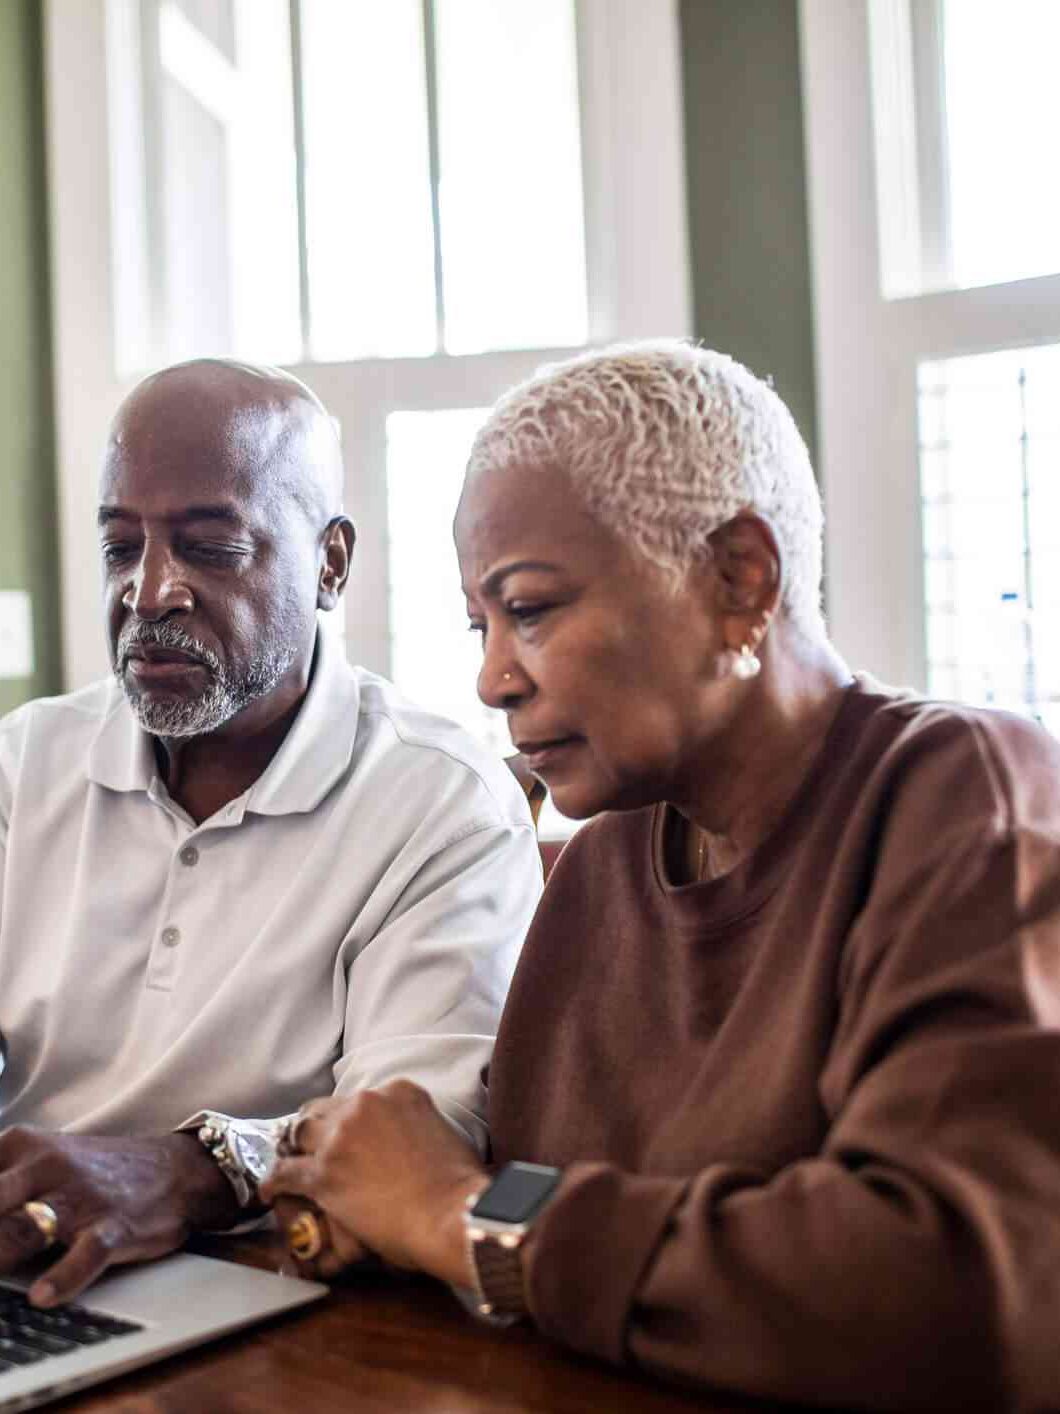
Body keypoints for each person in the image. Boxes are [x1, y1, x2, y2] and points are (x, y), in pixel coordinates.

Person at [263, 341, 1060, 1412]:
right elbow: (541, 1197)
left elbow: (948, 1288)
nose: (492, 677)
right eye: (479, 624)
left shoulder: (962, 789)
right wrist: (387, 1199)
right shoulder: (599, 872)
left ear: (741, 581)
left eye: (531, 609)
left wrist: (459, 1216)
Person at [0, 359, 541, 1308]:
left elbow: (421, 1133)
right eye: (121, 549)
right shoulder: (25, 764)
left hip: (271, 1291)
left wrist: (194, 1170)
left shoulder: (440, 803)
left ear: (330, 562)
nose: (149, 593)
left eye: (209, 548)